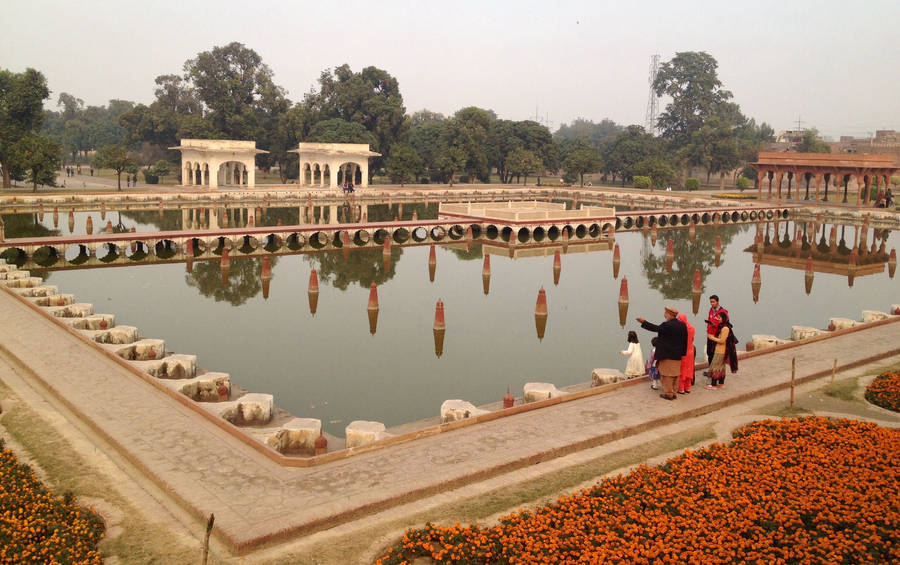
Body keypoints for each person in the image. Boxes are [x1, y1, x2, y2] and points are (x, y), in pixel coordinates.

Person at [636, 306, 687, 400]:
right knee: (675, 375)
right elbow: (685, 340)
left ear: (669, 314)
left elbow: (655, 328)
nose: (664, 315)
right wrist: (683, 353)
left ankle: (669, 394)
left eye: (665, 313)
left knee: (666, 375)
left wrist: (643, 322)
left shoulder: (667, 325)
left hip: (667, 355)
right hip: (677, 355)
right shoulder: (682, 325)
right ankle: (674, 392)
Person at [706, 310, 737, 388]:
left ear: (723, 318)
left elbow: (722, 340)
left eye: (719, 318)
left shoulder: (725, 328)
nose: (718, 319)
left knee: (715, 366)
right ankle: (721, 382)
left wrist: (712, 338)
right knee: (721, 367)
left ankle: (713, 385)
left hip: (721, 351)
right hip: (721, 350)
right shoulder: (722, 327)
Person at [705, 295, 728, 365]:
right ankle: (711, 370)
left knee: (716, 354)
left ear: (717, 302)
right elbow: (709, 320)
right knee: (709, 353)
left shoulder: (723, 312)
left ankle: (715, 372)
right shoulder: (711, 310)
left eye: (713, 302)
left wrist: (716, 325)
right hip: (710, 336)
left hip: (717, 337)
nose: (712, 303)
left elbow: (726, 325)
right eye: (711, 302)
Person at [676, 312, 695, 394]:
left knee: (682, 370)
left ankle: (681, 389)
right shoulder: (692, 328)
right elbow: (692, 339)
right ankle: (688, 388)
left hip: (683, 351)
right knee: (689, 369)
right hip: (690, 351)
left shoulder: (681, 329)